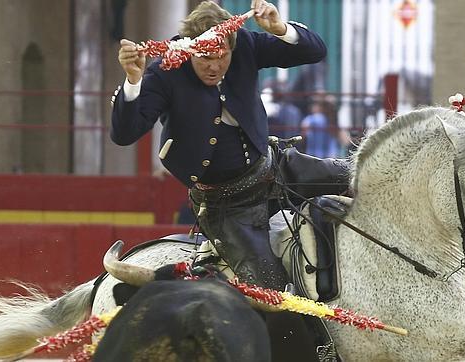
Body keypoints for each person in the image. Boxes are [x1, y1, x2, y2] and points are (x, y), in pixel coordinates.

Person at [111, 2, 349, 359]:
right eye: (204, 58)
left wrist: (279, 28)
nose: (214, 66)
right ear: (188, 48)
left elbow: (315, 50)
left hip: (277, 168)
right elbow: (125, 132)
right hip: (226, 205)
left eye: (221, 57)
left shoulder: (246, 46)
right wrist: (133, 80)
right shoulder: (165, 71)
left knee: (359, 176)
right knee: (270, 291)